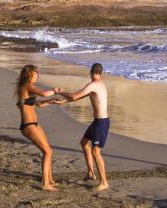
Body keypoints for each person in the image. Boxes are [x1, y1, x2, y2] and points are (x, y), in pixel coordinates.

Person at [61, 63, 113, 191]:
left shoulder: (93, 84)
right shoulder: (100, 84)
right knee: (84, 143)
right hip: (97, 121)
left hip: (101, 122)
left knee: (96, 151)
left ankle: (104, 182)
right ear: (101, 73)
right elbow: (82, 96)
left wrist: (61, 92)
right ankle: (90, 173)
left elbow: (74, 95)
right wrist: (65, 100)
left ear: (91, 73)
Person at [14, 64, 64, 191]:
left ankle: (50, 179)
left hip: (34, 124)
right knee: (47, 152)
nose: (37, 75)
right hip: (28, 126)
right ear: (29, 75)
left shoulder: (27, 88)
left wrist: (51, 101)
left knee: (48, 150)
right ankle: (45, 184)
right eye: (35, 73)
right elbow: (43, 93)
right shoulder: (27, 86)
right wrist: (55, 90)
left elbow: (38, 104)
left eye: (37, 73)